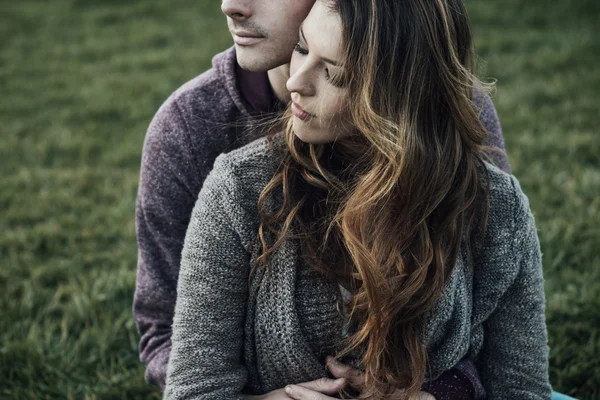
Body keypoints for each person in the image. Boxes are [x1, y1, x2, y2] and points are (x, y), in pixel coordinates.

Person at [161, 0, 552, 399]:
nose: (296, 82)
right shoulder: (239, 189)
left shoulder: (497, 208)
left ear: (398, 94)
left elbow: (523, 387)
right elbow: (193, 388)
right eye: (300, 47)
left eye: (333, 74)